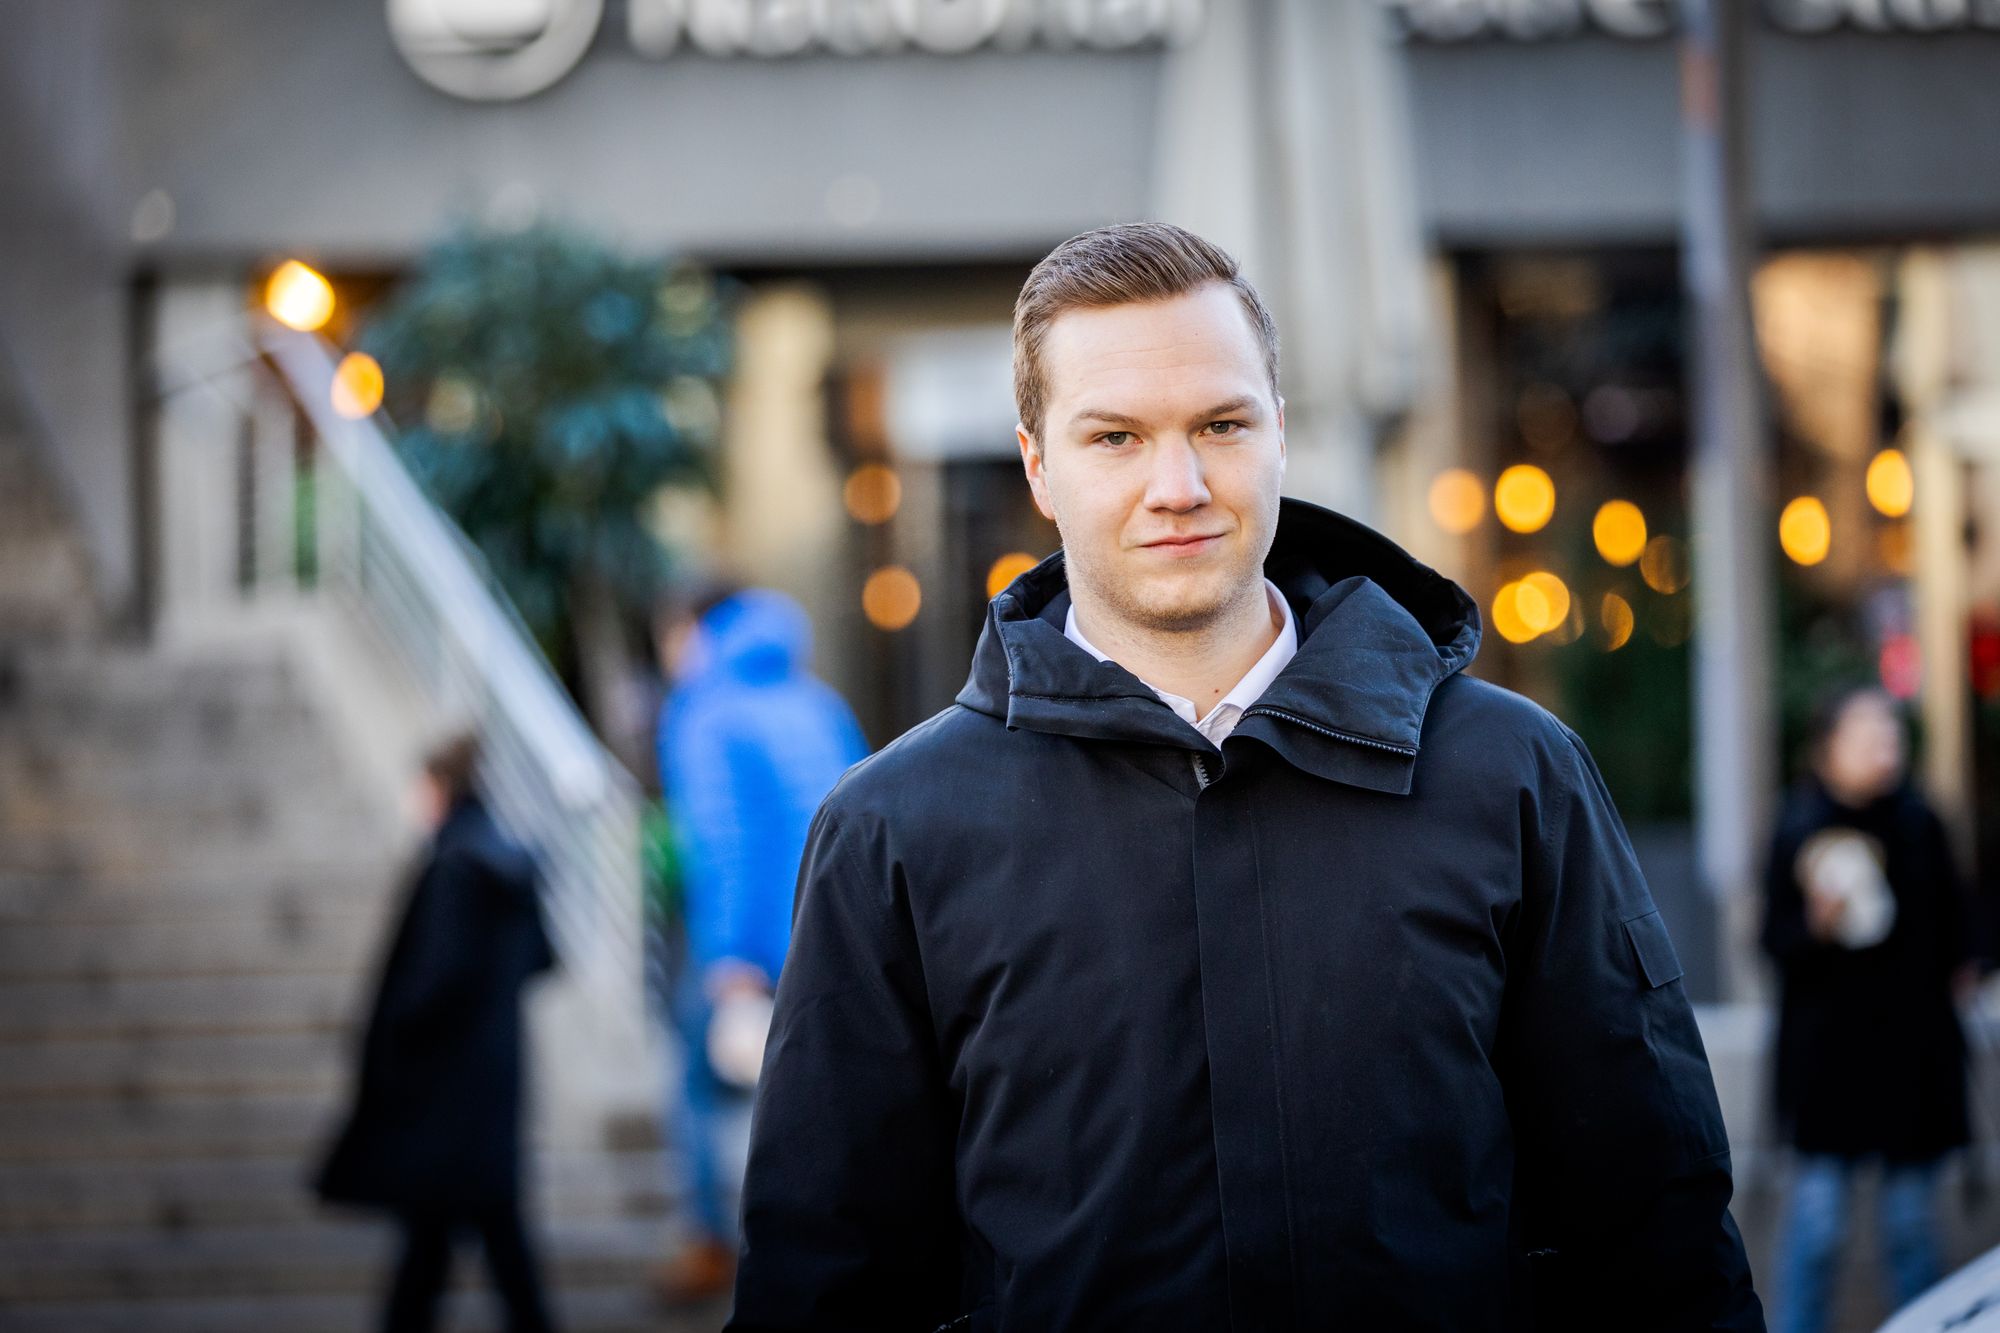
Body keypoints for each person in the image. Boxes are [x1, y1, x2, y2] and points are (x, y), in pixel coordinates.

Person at [728, 222, 1762, 1330]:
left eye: (1218, 424)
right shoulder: (892, 827)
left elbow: (1655, 1230)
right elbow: (822, 1284)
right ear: (1037, 465)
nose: (1176, 484)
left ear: (1276, 433)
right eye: (1114, 437)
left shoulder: (1509, 773)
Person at [649, 583, 869, 1304]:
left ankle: (712, 1244)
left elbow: (723, 837)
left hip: (748, 946)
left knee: (697, 1089)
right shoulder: (818, 701)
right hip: (833, 939)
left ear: (692, 631)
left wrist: (731, 960)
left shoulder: (705, 708)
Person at [315, 731, 559, 1333]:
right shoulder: (505, 862)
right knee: (460, 1240)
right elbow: (540, 959)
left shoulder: (454, 867)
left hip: (444, 1094)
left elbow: (433, 980)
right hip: (488, 1086)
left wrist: (391, 1040)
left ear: (439, 787)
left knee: (453, 1241)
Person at [1762, 685, 1976, 1333]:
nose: (1885, 748)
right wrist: (1816, 925)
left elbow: (1959, 929)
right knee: (1817, 1227)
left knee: (1912, 1227)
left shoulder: (1920, 822)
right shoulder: (1798, 825)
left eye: (1891, 734)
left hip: (1912, 1060)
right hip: (1827, 1064)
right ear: (1828, 748)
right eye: (1867, 735)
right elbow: (1773, 941)